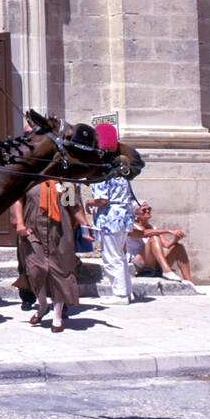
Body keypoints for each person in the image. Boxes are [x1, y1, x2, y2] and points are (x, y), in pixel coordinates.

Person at [11, 178, 93, 331]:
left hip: (60, 230)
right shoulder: (31, 178)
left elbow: (73, 207)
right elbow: (18, 201)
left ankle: (57, 316)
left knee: (59, 271)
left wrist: (85, 226)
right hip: (32, 229)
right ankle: (42, 305)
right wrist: (20, 223)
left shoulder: (64, 182)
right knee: (36, 269)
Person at [85, 123, 135, 304]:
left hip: (111, 220)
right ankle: (128, 292)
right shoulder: (121, 174)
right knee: (120, 256)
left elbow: (102, 199)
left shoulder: (102, 173)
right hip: (124, 219)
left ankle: (120, 294)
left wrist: (90, 203)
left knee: (111, 257)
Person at [128, 202, 193, 284]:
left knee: (178, 247)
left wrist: (175, 239)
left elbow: (167, 245)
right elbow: (144, 233)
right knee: (154, 237)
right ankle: (166, 271)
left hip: (153, 262)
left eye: (149, 209)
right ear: (136, 214)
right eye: (144, 210)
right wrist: (168, 231)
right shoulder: (131, 227)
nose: (148, 211)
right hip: (139, 263)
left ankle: (190, 282)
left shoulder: (153, 228)